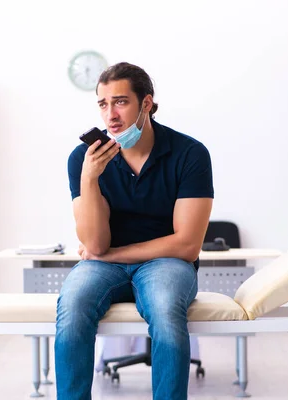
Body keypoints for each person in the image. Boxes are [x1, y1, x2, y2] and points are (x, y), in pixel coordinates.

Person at [55, 62, 214, 400]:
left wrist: (111, 255)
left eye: (121, 102)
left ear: (146, 103)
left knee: (166, 307)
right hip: (103, 265)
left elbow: (186, 245)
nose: (110, 114)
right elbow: (95, 242)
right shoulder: (83, 159)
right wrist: (89, 178)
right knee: (72, 305)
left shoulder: (190, 154)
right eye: (102, 104)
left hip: (167, 263)